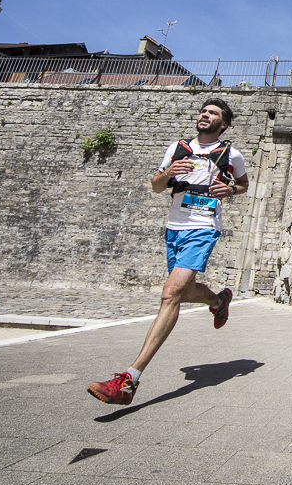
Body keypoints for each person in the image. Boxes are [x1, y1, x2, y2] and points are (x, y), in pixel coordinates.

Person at [88, 98, 249, 405]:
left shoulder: (232, 155)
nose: (205, 115)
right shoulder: (178, 148)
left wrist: (230, 190)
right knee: (184, 292)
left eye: (212, 113)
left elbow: (243, 184)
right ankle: (218, 301)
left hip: (203, 227)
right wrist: (168, 172)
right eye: (204, 111)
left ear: (223, 124)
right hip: (175, 227)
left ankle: (128, 380)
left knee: (170, 294)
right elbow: (157, 186)